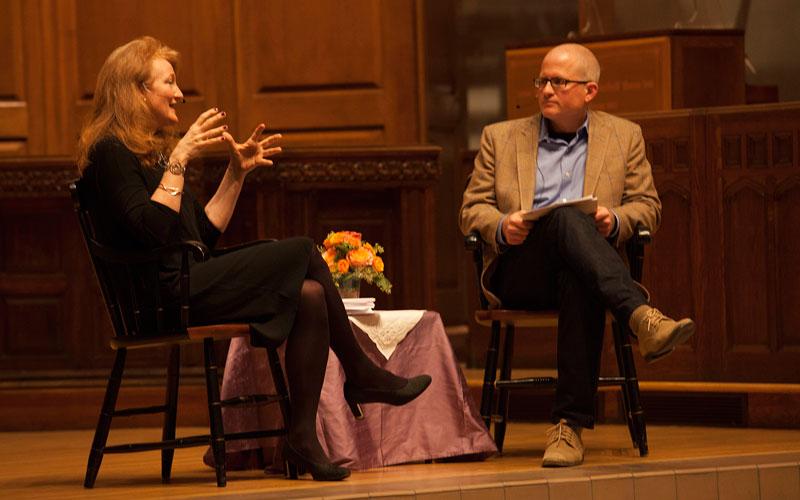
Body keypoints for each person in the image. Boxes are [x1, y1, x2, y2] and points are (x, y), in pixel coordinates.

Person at [76, 36, 431, 481]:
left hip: (187, 278)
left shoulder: (154, 155)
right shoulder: (110, 154)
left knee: (310, 295)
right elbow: (154, 229)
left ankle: (300, 439)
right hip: (159, 296)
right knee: (302, 248)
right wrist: (182, 156)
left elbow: (198, 235)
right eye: (169, 81)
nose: (180, 94)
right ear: (136, 90)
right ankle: (360, 371)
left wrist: (235, 174)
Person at [459, 43, 695, 467]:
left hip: (587, 272)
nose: (546, 89)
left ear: (590, 91)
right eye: (542, 80)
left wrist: (615, 219)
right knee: (567, 221)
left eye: (558, 82)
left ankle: (567, 428)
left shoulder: (624, 136)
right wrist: (500, 225)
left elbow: (648, 207)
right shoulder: (501, 137)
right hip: (521, 271)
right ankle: (641, 316)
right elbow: (470, 210)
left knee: (579, 266)